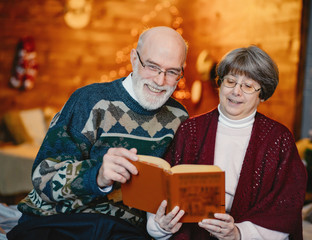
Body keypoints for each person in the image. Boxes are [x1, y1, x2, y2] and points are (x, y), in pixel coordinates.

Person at [7, 26, 189, 240]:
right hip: (60, 222)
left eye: (172, 72)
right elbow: (42, 178)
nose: (160, 81)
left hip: (123, 231)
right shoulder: (89, 100)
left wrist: (162, 223)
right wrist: (98, 175)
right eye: (152, 67)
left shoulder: (179, 118)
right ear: (133, 58)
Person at [146, 46, 307, 240]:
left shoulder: (279, 139)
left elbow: (284, 208)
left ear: (262, 93)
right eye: (230, 81)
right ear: (220, 83)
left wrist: (238, 233)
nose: (236, 92)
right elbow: (162, 192)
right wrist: (161, 225)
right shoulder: (190, 130)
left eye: (248, 86)